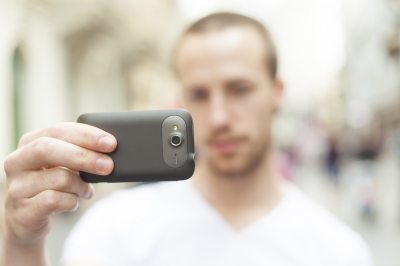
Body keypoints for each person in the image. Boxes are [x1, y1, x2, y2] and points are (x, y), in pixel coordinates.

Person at [2, 12, 373, 266]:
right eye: (199, 94)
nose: (219, 117)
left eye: (239, 89)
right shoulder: (113, 226)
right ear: (179, 104)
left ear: (277, 92)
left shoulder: (338, 251)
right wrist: (21, 244)